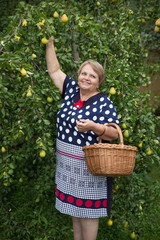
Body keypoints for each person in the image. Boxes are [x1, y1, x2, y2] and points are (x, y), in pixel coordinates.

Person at [46, 36, 119, 240]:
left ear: (99, 81)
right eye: (83, 73)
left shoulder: (104, 102)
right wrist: (50, 44)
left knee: (87, 215)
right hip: (67, 167)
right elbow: (54, 71)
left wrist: (95, 127)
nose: (86, 78)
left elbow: (114, 133)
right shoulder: (71, 91)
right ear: (78, 76)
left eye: (92, 76)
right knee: (75, 215)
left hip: (89, 168)